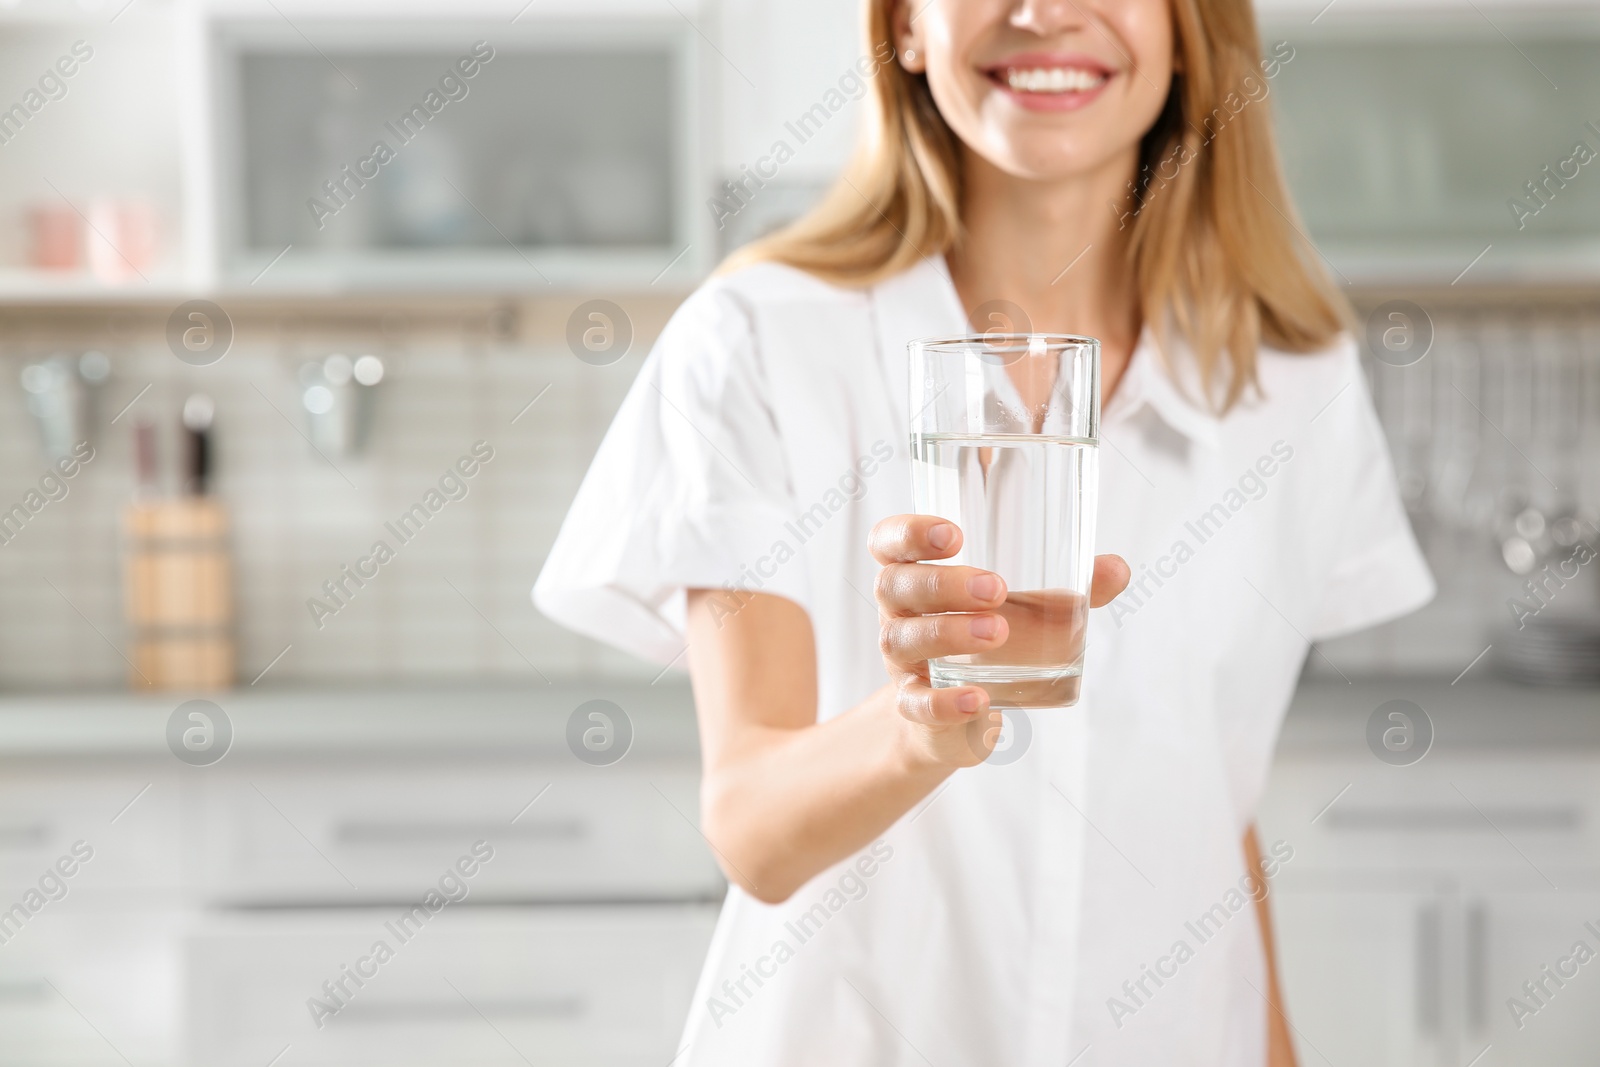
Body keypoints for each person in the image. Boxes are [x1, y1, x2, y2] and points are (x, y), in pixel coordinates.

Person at [534, 0, 1433, 1063]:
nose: (1045, 13)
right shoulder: (758, 344)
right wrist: (916, 727)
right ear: (905, 26)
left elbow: (1213, 808)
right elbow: (752, 827)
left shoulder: (1291, 384)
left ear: (1189, 27)